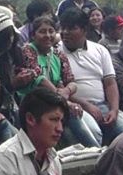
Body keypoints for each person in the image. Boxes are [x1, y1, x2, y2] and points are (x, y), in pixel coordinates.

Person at [18, 15, 102, 148]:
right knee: (72, 124)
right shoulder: (28, 50)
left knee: (95, 131)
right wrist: (63, 100)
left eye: (51, 31)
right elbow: (38, 78)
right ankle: (99, 155)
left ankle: (95, 155)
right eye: (42, 31)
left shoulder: (57, 54)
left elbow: (71, 81)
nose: (48, 35)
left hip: (59, 102)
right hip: (37, 103)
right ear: (33, 35)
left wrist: (66, 91)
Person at [60, 7, 123, 144]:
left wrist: (114, 110)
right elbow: (60, 89)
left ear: (84, 30)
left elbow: (110, 83)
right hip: (75, 108)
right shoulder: (55, 52)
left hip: (103, 106)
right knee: (94, 134)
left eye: (71, 28)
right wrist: (87, 106)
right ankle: (100, 163)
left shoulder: (100, 50)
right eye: (63, 28)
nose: (65, 33)